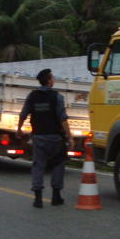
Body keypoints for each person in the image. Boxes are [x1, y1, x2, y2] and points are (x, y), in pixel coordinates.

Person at [16, 69, 74, 208]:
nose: (53, 80)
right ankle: (56, 196)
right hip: (55, 138)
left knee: (38, 166)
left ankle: (38, 199)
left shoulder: (32, 96)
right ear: (49, 81)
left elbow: (23, 114)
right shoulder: (57, 97)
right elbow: (63, 118)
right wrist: (69, 136)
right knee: (58, 165)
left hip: (38, 137)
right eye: (52, 78)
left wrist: (19, 129)